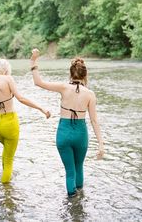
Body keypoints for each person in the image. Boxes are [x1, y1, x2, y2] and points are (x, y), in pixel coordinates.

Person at [30, 48, 104, 197]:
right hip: (80, 134)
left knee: (70, 172)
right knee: (79, 167)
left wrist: (34, 61)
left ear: (70, 73)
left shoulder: (63, 88)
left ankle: (71, 203)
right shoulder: (90, 94)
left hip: (63, 134)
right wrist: (101, 144)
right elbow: (94, 120)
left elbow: (38, 82)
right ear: (85, 75)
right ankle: (80, 204)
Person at [0, 58, 50, 183]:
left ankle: (4, 181)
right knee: (8, 160)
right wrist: (41, 108)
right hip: (9, 124)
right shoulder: (8, 79)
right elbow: (21, 98)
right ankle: (6, 192)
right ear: (6, 69)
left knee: (7, 152)